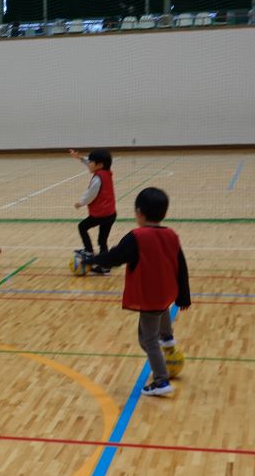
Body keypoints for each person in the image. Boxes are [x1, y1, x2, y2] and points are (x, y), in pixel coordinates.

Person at [84, 187, 191, 397]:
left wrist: (91, 260)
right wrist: (184, 295)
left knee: (147, 340)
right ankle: (167, 338)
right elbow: (182, 265)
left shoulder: (137, 237)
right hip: (167, 292)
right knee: (161, 313)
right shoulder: (171, 235)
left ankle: (161, 381)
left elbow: (114, 258)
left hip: (150, 295)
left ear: (139, 212)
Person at [69, 148, 117, 275]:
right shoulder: (106, 171)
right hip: (111, 214)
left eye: (90, 162)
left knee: (82, 226)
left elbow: (90, 194)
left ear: (99, 165)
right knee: (102, 241)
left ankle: (89, 251)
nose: (88, 164)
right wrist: (80, 158)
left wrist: (80, 203)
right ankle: (105, 267)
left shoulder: (97, 179)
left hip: (101, 214)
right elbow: (90, 162)